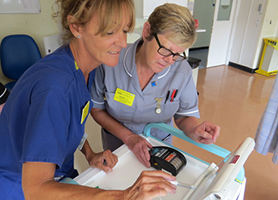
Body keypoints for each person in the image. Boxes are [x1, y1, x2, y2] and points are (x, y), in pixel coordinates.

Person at [0, 0, 177, 199]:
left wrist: (89, 153)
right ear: (76, 27)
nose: (121, 42)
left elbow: (73, 119)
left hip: (59, 175)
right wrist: (123, 196)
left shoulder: (84, 68)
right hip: (18, 186)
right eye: (110, 32)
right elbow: (36, 189)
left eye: (125, 31)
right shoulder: (55, 89)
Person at [90, 3, 221, 168]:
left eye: (177, 54)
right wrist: (129, 138)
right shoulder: (111, 62)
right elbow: (96, 109)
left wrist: (194, 129)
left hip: (159, 148)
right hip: (118, 147)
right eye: (166, 50)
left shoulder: (182, 71)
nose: (169, 60)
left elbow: (184, 116)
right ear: (146, 32)